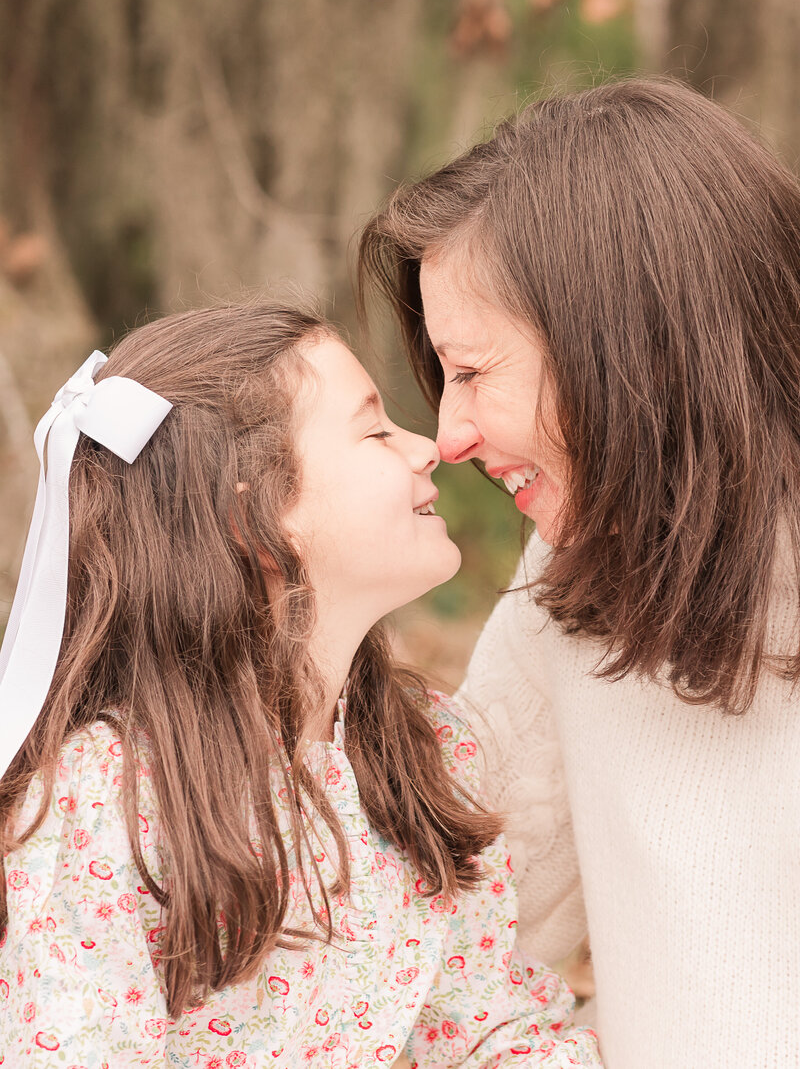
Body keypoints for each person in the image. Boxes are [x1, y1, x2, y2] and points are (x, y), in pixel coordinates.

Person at [0, 304, 601, 1067]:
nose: (429, 448)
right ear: (259, 514)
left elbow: (480, 1031)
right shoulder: (107, 791)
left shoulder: (426, 751)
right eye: (376, 430)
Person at [358, 77, 800, 1068]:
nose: (449, 435)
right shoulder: (572, 577)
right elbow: (458, 939)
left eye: (470, 370)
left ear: (622, 344)